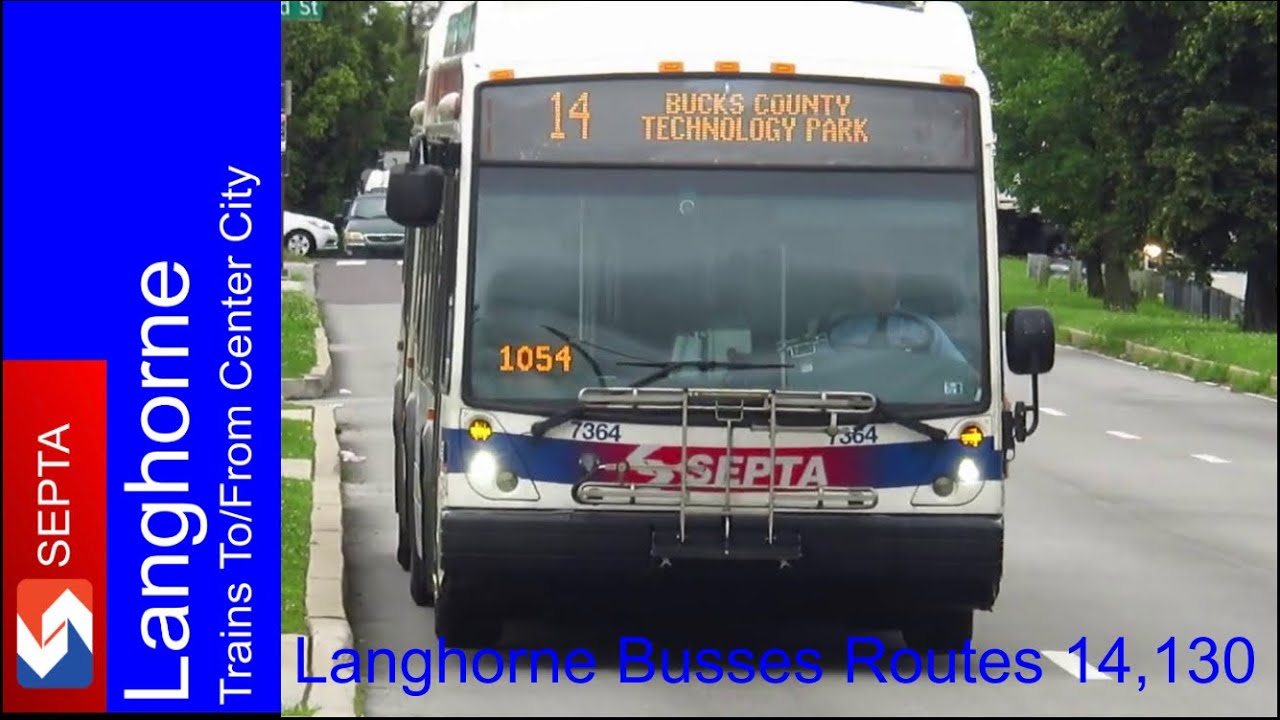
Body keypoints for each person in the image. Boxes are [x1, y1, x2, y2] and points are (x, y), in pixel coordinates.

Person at [825, 269, 970, 365]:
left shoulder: (924, 328)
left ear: (897, 277)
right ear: (860, 280)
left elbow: (960, 372)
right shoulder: (840, 328)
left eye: (885, 275)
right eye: (872, 275)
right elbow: (817, 368)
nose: (880, 276)